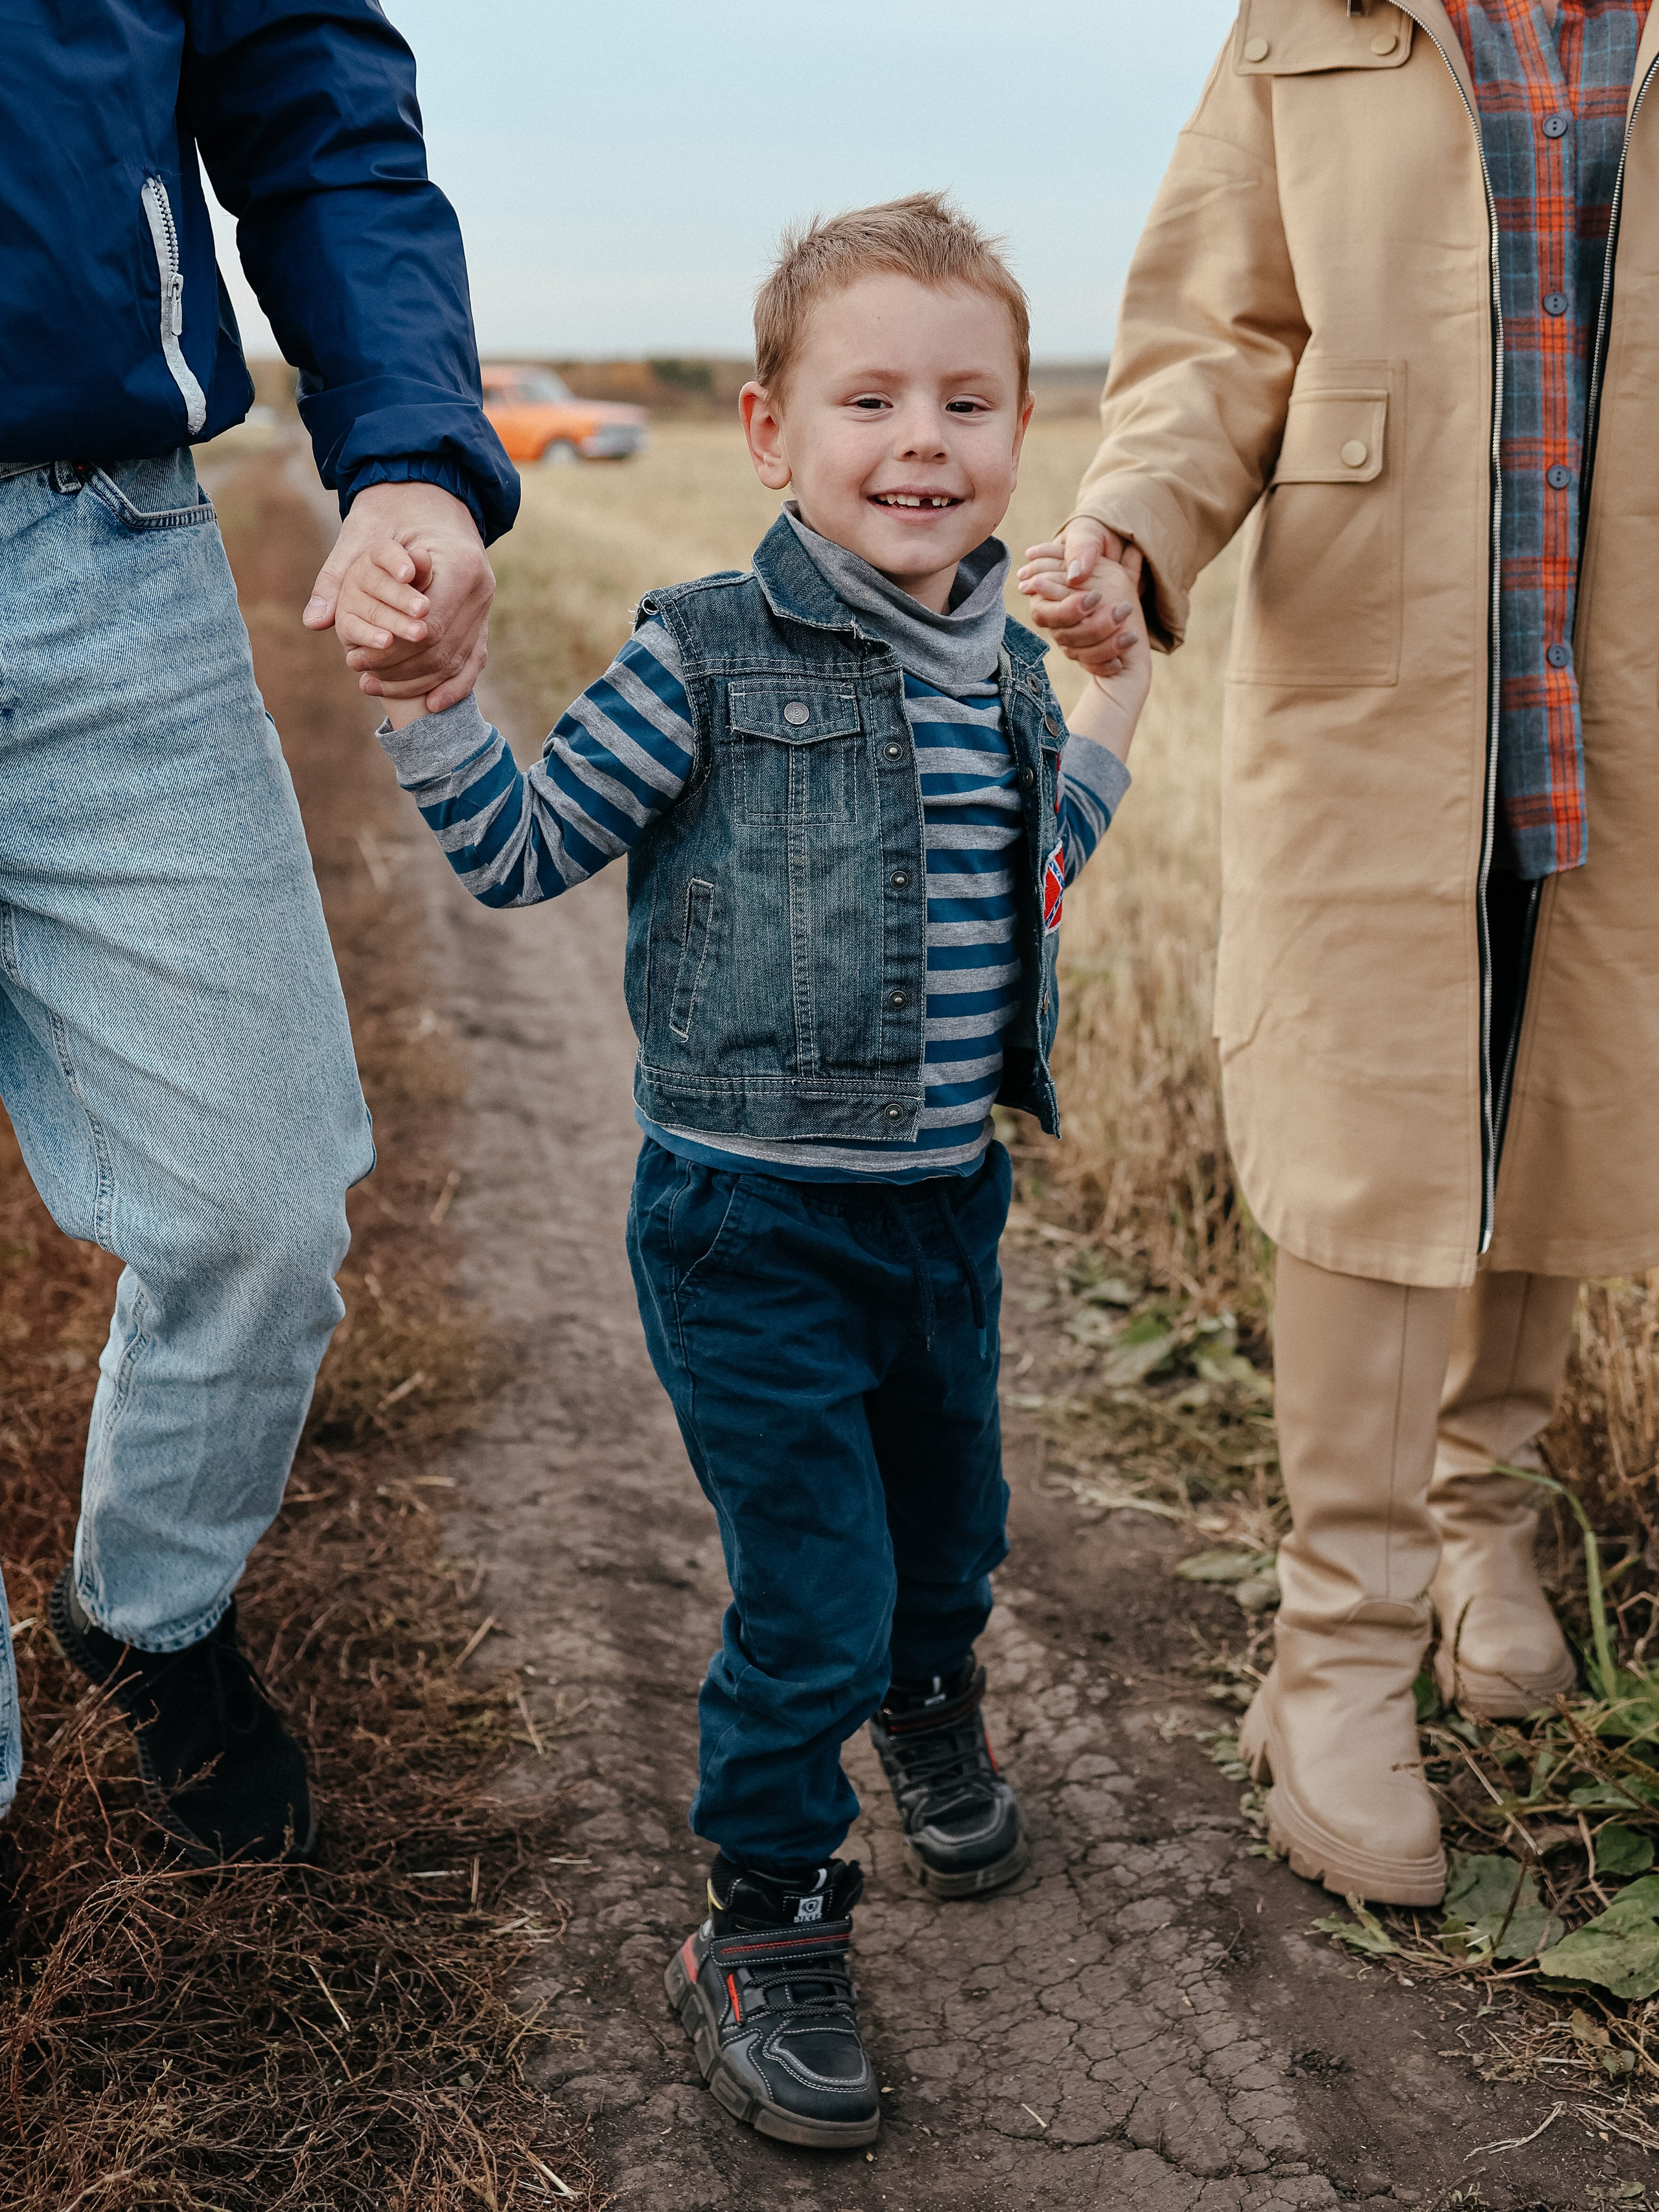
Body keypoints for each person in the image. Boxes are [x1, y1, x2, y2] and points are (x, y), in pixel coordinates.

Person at [363, 194, 1148, 2149]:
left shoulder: (1007, 680)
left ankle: (931, 1696)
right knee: (814, 1586)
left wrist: (1128, 662)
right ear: (770, 433)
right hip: (750, 1224)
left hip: (943, 1207)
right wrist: (428, 708)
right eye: (869, 396)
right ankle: (772, 1917)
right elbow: (527, 853)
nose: (924, 440)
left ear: (1017, 437)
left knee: (947, 1539)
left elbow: (1056, 851)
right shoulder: (703, 654)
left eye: (969, 403)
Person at [1022, 0, 1659, 1909]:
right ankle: (1337, 1660)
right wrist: (1134, 527)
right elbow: (1219, 333)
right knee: (1375, 1118)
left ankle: (1484, 1529)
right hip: (1385, 654)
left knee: (1562, 1080)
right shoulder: (1313, 26)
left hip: (1620, 654)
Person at [0, 0, 517, 1867]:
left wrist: (412, 459)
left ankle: (149, 1612)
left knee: (265, 1200)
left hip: (97, 549)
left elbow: (321, 119)